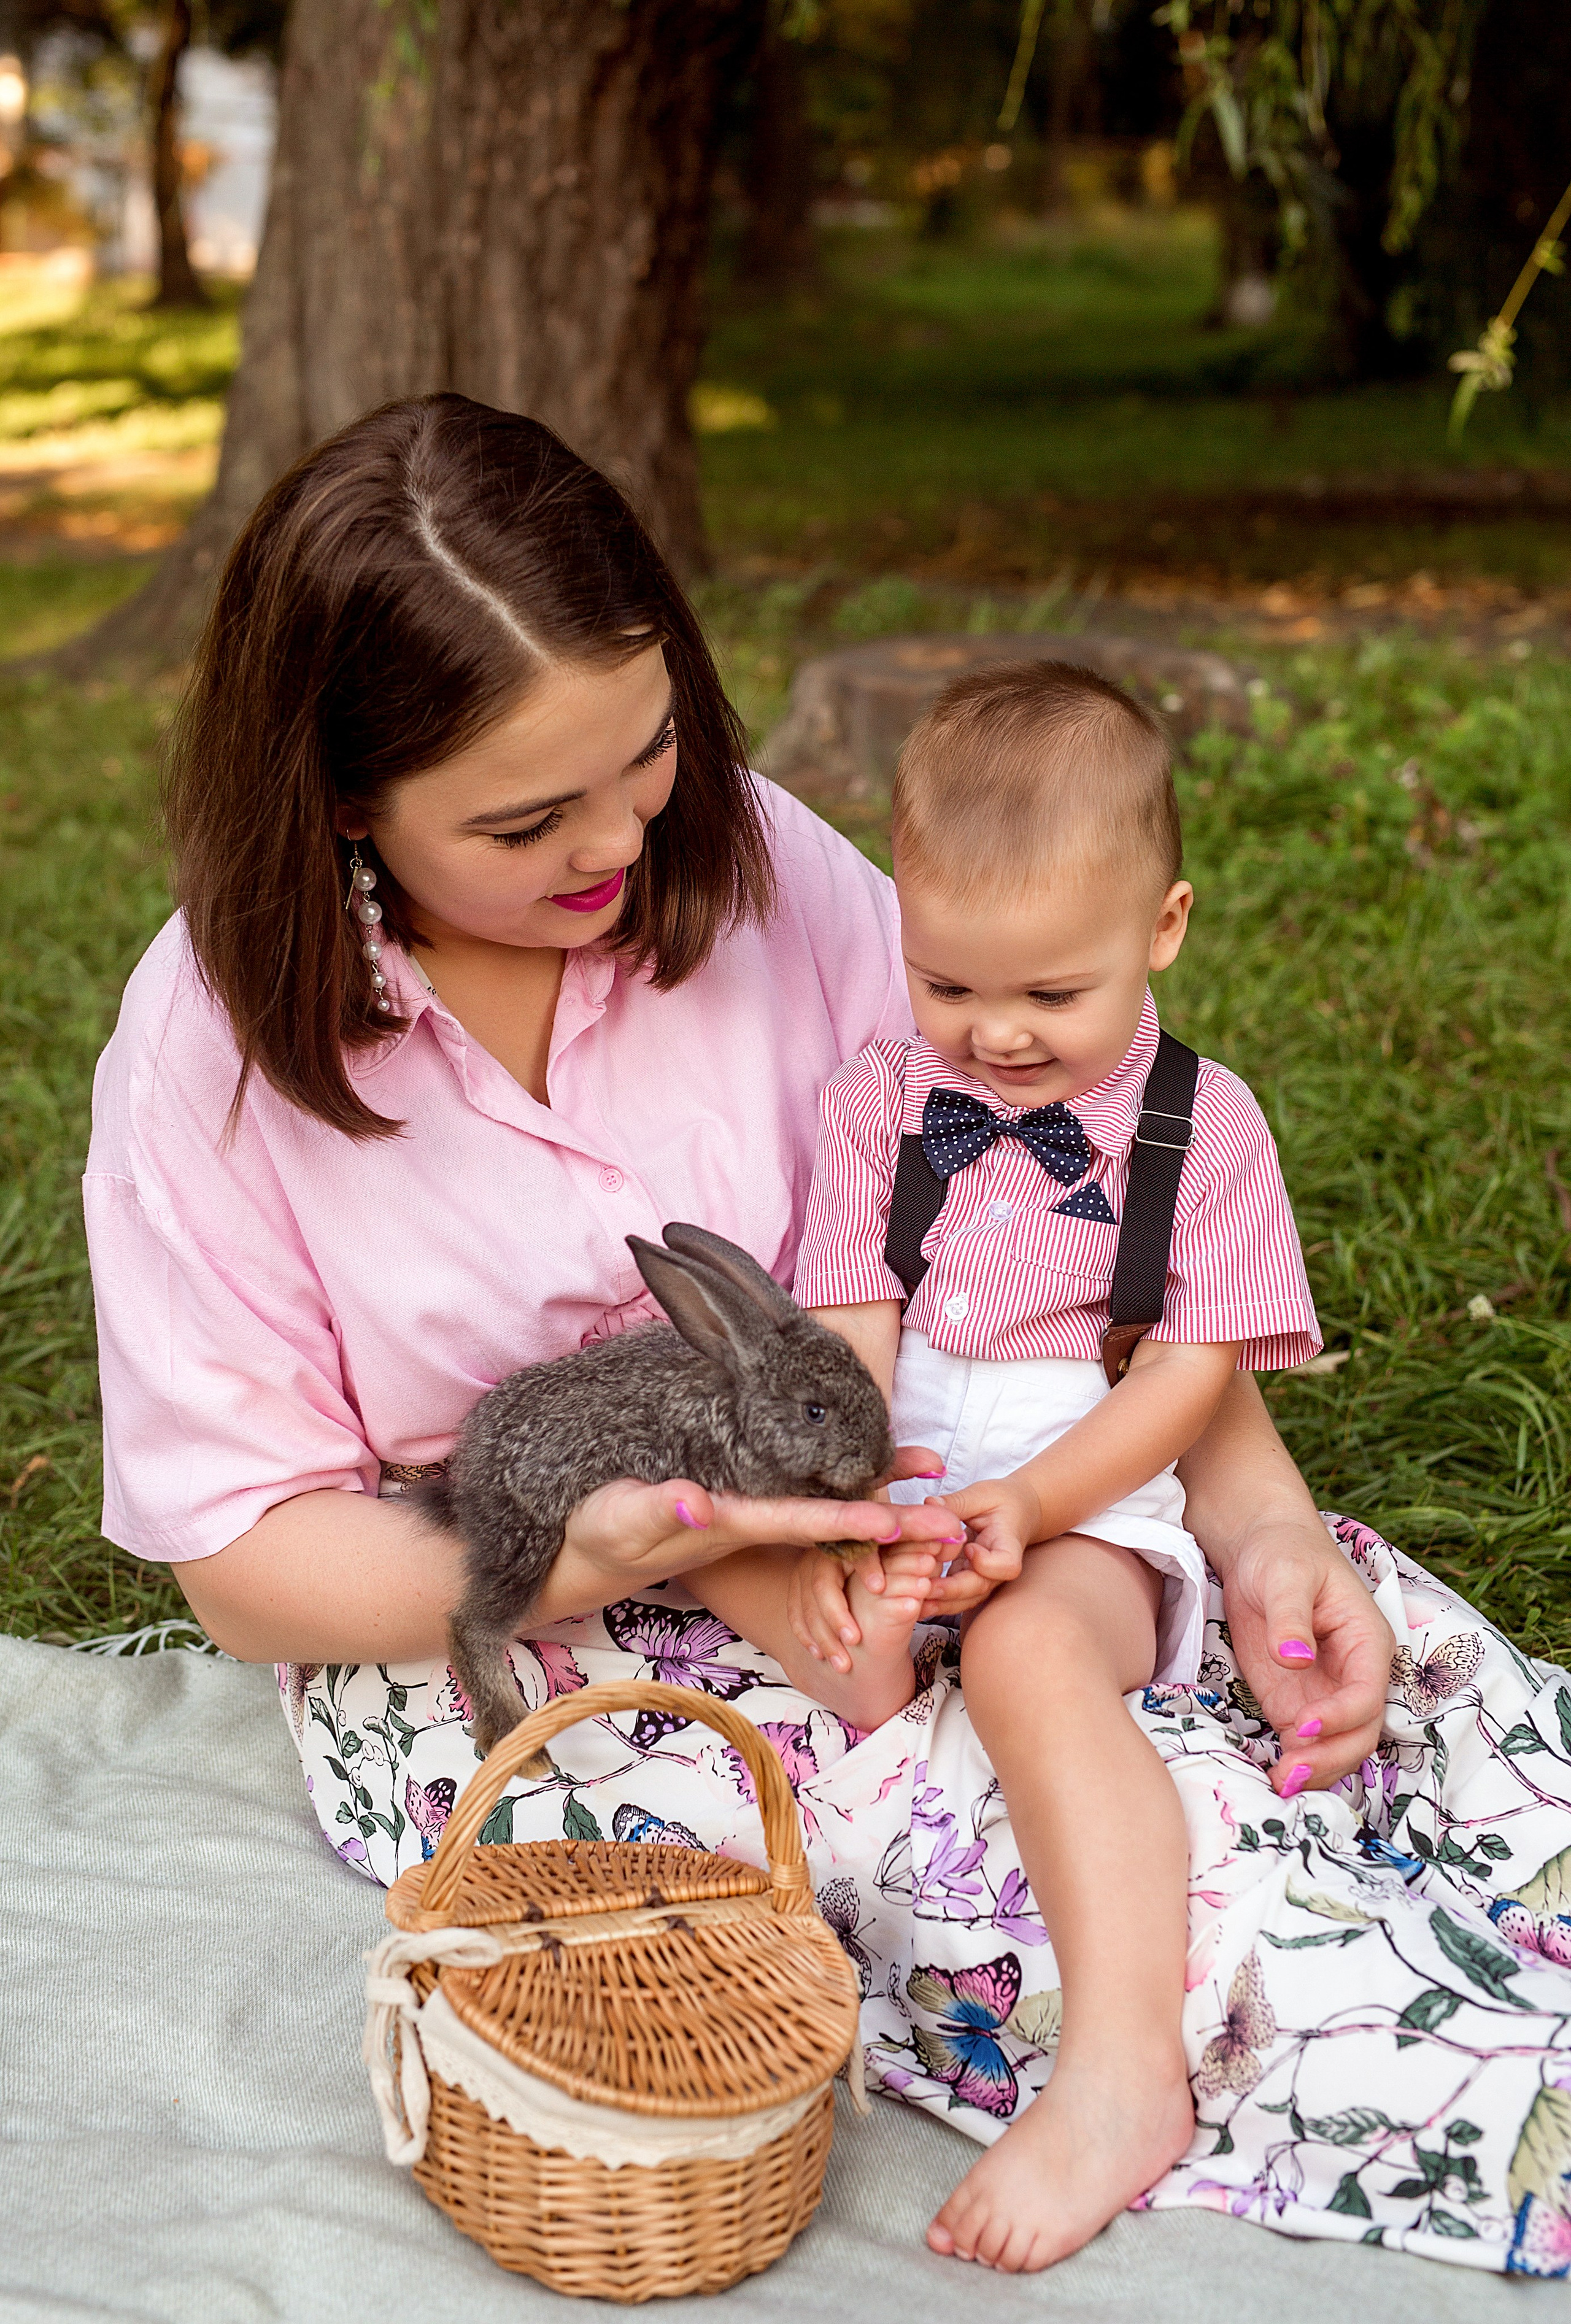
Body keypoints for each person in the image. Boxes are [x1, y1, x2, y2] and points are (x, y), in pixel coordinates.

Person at [83, 395, 1571, 2282]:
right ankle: (1248, 2074)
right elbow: (244, 1562)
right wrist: (608, 1553)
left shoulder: (761, 866)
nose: (622, 837)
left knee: (1392, 1741)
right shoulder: (212, 1060)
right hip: (525, 1611)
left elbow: (1084, 1230)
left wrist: (1262, 1520)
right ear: (341, 800)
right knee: (1137, 1897)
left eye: (648, 750)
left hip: (940, 1490)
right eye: (528, 820)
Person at [692, 660, 1322, 2269]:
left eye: (1052, 991)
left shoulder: (1205, 1128)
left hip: (1090, 1483)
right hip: (910, 1459)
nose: (998, 1032)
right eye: (951, 982)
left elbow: (1186, 1374)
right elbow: (854, 1312)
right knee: (837, 1631)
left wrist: (1034, 1509)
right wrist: (859, 1507)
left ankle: (1120, 2070)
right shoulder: (882, 1099)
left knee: (1033, 1653)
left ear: (1164, 927)